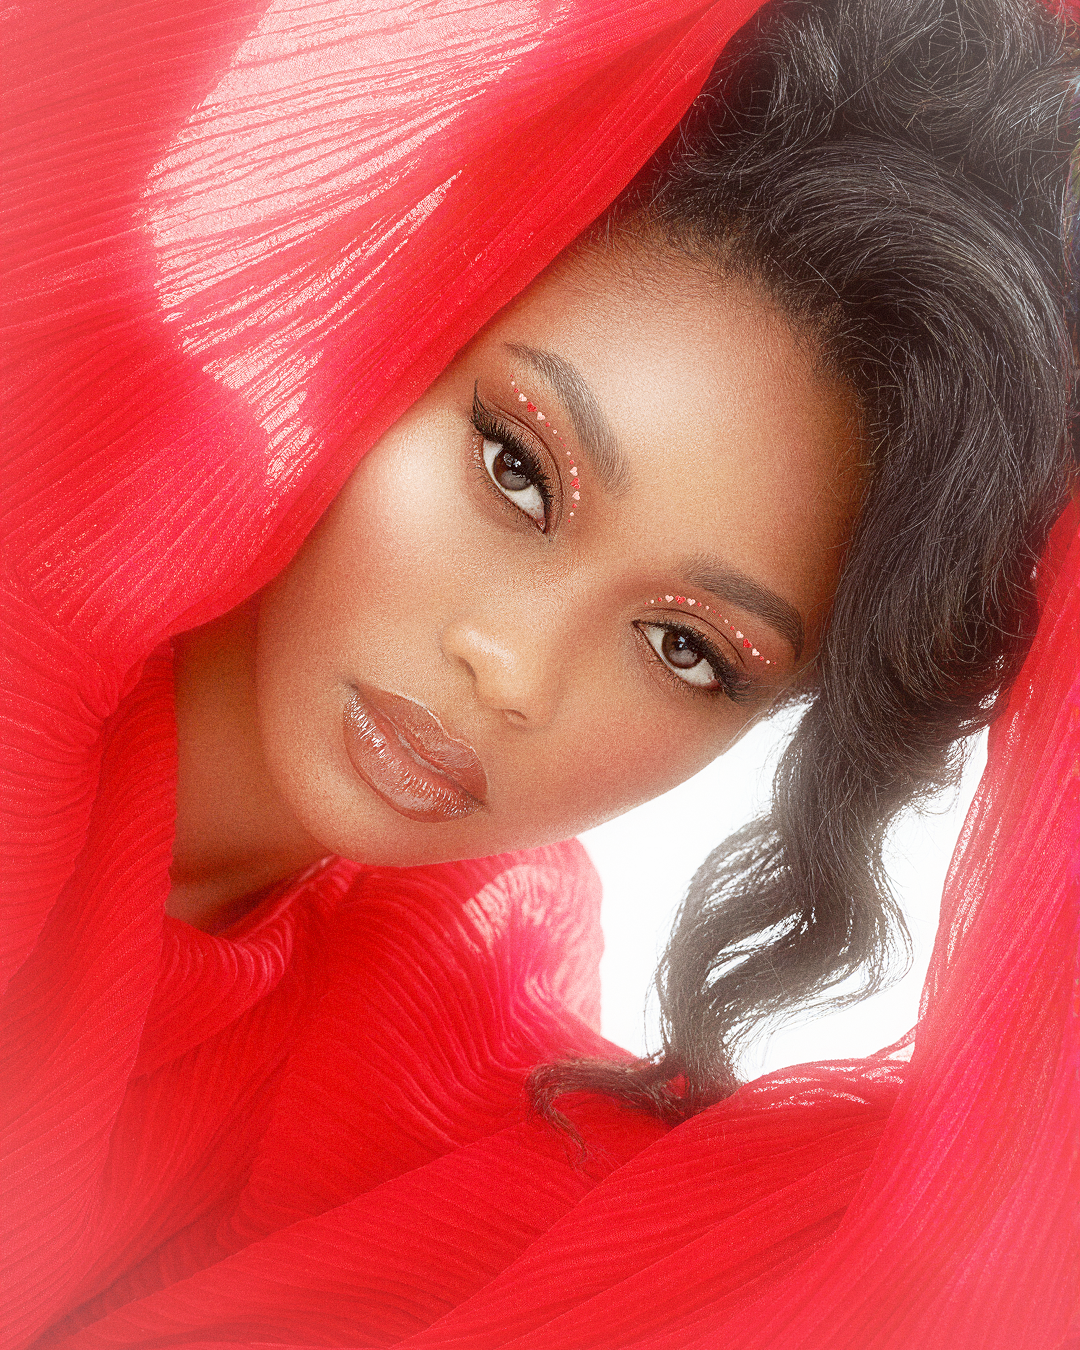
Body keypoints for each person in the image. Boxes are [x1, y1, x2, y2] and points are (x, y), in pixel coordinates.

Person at [2, 0, 1076, 1346]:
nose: (512, 670)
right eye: (518, 468)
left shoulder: (426, 1033)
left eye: (689, 650)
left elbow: (994, 1247)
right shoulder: (36, 461)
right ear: (410, 310)